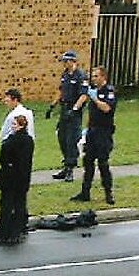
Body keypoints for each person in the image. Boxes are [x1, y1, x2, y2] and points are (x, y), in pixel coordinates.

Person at [71, 66, 117, 205]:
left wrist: (95, 99)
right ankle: (85, 192)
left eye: (96, 76)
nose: (94, 79)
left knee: (103, 163)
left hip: (104, 132)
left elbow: (107, 108)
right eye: (93, 76)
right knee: (88, 162)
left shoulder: (109, 91)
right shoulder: (93, 91)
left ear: (103, 77)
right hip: (92, 131)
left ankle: (108, 193)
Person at [0, 115, 34, 245]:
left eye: (15, 124)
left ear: (21, 126)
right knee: (20, 204)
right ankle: (16, 231)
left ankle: (3, 232)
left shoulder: (11, 141)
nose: (13, 127)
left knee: (6, 205)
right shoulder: (29, 140)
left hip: (9, 177)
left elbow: (3, 158)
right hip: (23, 177)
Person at [48, 50, 89, 182]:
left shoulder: (81, 76)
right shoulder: (65, 74)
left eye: (66, 61)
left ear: (73, 61)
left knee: (72, 139)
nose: (64, 64)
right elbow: (61, 91)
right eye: (64, 61)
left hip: (74, 111)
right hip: (64, 109)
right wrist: (52, 106)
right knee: (62, 137)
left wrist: (75, 108)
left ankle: (70, 169)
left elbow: (84, 95)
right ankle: (66, 166)